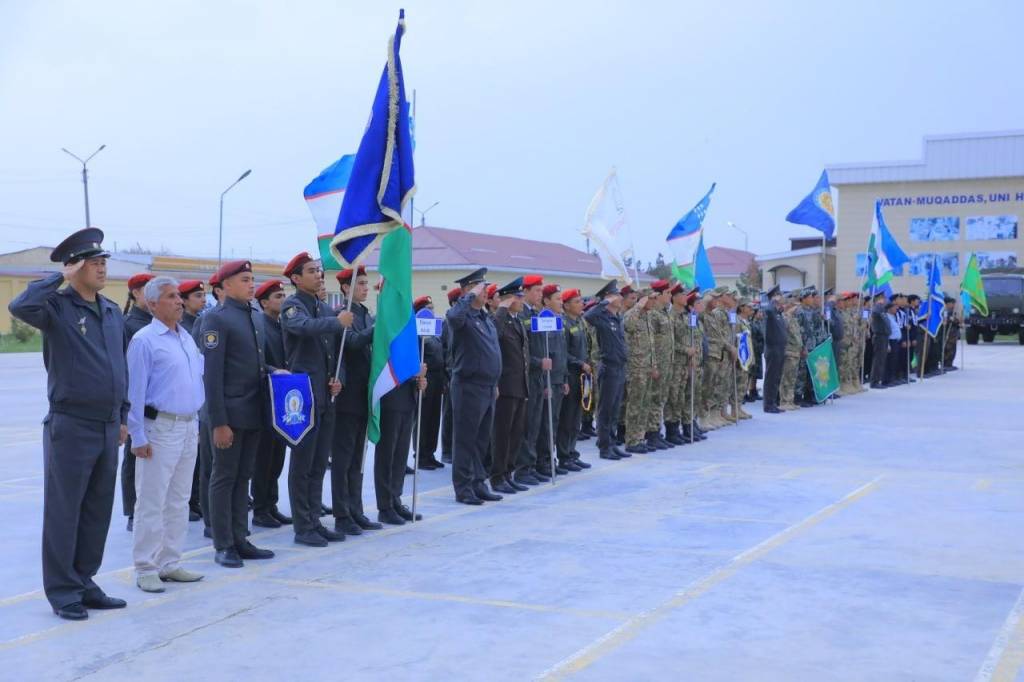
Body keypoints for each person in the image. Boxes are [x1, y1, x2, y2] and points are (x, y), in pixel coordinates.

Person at [8, 227, 129, 620]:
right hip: (72, 425)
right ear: (74, 267)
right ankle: (63, 591)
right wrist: (58, 277)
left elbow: (120, 368)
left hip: (107, 425)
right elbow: (20, 306)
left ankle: (85, 581)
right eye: (93, 263)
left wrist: (122, 416)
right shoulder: (56, 307)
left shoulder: (111, 311)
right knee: (65, 511)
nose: (102, 268)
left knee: (97, 510)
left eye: (103, 262)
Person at [126, 276, 206, 593]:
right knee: (151, 501)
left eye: (178, 296)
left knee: (179, 500)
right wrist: (137, 436)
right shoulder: (144, 341)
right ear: (152, 303)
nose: (179, 301)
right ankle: (146, 566)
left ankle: (169, 562)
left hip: (188, 425)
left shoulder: (185, 337)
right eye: (171, 296)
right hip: (160, 428)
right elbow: (134, 391)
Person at [201, 259, 276, 568]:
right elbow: (212, 375)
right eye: (244, 279)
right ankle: (223, 544)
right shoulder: (216, 319)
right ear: (226, 285)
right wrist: (219, 422)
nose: (251, 284)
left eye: (251, 279)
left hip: (253, 411)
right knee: (224, 477)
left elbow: (253, 363)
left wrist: (275, 371)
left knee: (243, 476)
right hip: (229, 415)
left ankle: (240, 537)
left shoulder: (254, 316)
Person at [279, 253, 347, 546]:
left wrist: (337, 377)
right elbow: (304, 327)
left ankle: (315, 519)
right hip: (302, 395)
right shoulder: (292, 306)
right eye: (311, 271)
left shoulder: (323, 307)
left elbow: (335, 351)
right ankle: (303, 526)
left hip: (324, 393)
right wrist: (336, 322)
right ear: (296, 278)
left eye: (319, 270)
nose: (319, 275)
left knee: (319, 463)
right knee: (303, 464)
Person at [331, 265, 383, 535]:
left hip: (364, 395)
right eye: (360, 283)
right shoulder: (342, 315)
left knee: (357, 460)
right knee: (343, 460)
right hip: (347, 398)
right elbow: (352, 343)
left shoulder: (364, 314)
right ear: (345, 288)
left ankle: (356, 510)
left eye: (365, 283)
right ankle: (342, 514)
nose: (365, 288)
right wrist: (379, 325)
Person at [446, 268, 503, 505]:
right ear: (468, 290)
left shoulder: (484, 317)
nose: (485, 291)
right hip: (468, 386)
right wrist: (468, 296)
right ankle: (463, 488)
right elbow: (453, 317)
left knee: (481, 441)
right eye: (481, 287)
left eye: (485, 287)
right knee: (465, 440)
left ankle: (479, 483)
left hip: (487, 387)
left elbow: (492, 351)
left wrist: (495, 382)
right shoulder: (462, 316)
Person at [251, 279, 292, 529]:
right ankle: (260, 508)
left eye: (283, 295)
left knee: (277, 457)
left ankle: (271, 505)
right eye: (278, 297)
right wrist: (273, 371)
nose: (283, 300)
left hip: (282, 399)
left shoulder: (282, 325)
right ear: (264, 302)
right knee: (264, 458)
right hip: (265, 398)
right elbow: (255, 362)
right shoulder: (260, 326)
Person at [374, 357, 428, 524]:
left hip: (408, 399)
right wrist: (413, 372)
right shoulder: (389, 337)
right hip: (391, 397)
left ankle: (395, 499)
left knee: (400, 457)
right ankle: (385, 507)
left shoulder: (413, 340)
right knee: (387, 456)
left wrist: (420, 381)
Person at [121, 272, 154, 532]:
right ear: (136, 293)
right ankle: (133, 510)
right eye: (148, 290)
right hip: (136, 400)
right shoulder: (129, 325)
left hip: (156, 402)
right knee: (134, 457)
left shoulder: (157, 323)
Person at [491, 278, 530, 492]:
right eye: (519, 297)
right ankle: (497, 477)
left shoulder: (517, 321)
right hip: (505, 387)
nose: (522, 301)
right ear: (509, 299)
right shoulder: (499, 320)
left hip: (519, 386)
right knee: (502, 435)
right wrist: (502, 309)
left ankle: (508, 473)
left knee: (515, 435)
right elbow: (493, 337)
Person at [513, 275, 551, 483]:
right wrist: (538, 362)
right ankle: (522, 469)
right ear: (525, 291)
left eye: (541, 291)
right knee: (526, 425)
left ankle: (531, 464)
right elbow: (522, 350)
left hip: (538, 377)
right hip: (526, 376)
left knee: (536, 424)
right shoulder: (521, 315)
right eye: (536, 290)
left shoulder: (536, 314)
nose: (540, 294)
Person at [584, 281, 628, 460]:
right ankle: (604, 447)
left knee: (615, 410)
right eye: (616, 295)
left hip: (620, 367)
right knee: (606, 410)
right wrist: (603, 301)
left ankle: (611, 443)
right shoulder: (601, 317)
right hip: (609, 368)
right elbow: (588, 315)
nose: (620, 298)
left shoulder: (616, 317)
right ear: (609, 297)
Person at [178, 279, 206, 522]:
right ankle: (188, 502)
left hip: (199, 395)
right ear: (184, 300)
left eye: (203, 295)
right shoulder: (182, 327)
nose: (203, 300)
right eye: (197, 296)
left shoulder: (201, 321)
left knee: (197, 457)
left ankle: (195, 499)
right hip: (184, 398)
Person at [535, 283, 571, 476]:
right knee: (545, 425)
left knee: (554, 422)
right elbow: (543, 353)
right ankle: (543, 461)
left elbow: (561, 353)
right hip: (548, 380)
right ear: (546, 301)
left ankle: (551, 458)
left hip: (558, 378)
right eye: (557, 299)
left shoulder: (558, 320)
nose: (561, 302)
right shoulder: (542, 320)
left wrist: (564, 378)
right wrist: (545, 382)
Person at [557, 288, 592, 468]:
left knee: (576, 417)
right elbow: (563, 352)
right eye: (577, 302)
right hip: (570, 374)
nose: (581, 304)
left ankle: (572, 452)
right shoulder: (563, 324)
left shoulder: (580, 321)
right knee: (567, 418)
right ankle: (564, 456)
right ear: (566, 305)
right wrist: (580, 363)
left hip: (582, 376)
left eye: (581, 301)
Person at [413, 296, 445, 470]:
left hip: (437, 377)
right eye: (428, 308)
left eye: (432, 308)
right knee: (423, 418)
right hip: (426, 377)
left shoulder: (434, 329)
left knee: (434, 418)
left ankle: (430, 453)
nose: (432, 311)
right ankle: (420, 455)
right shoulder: (418, 330)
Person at [624, 289, 656, 454]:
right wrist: (638, 306)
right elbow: (628, 326)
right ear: (643, 300)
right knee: (635, 405)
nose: (654, 301)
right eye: (651, 298)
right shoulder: (632, 314)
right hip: (636, 368)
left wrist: (654, 365)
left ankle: (640, 437)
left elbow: (651, 345)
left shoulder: (648, 317)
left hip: (647, 367)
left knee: (645, 404)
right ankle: (631, 440)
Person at [645, 279, 675, 450]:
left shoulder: (665, 312)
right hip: (657, 363)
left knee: (661, 398)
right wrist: (653, 365)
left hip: (667, 362)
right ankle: (652, 434)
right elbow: (650, 342)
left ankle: (657, 431)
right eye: (668, 293)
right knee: (654, 399)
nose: (670, 295)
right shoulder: (653, 314)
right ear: (659, 294)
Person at [439, 287, 460, 464]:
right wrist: (447, 374)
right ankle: (447, 450)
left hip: (460, 372)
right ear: (454, 303)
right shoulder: (448, 324)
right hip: (451, 372)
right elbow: (444, 350)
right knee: (449, 414)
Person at [761, 286, 787, 413]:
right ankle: (768, 404)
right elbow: (767, 309)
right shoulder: (770, 312)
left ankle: (774, 402)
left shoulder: (778, 313)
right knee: (771, 377)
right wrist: (772, 301)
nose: (782, 298)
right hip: (773, 348)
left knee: (776, 377)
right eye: (780, 295)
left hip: (780, 348)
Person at [868, 292, 890, 389]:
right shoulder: (877, 308)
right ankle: (874, 382)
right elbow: (875, 312)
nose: (885, 300)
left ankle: (878, 380)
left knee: (882, 360)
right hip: (879, 336)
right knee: (878, 360)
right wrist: (878, 304)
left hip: (884, 336)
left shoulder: (882, 309)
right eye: (883, 298)